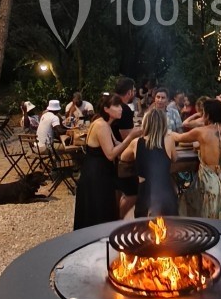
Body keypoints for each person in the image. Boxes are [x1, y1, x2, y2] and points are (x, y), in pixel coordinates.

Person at [174, 98, 221, 222]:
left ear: (208, 114)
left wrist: (167, 134)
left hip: (209, 177)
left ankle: (209, 232)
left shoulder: (200, 132)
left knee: (194, 200)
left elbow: (179, 138)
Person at [73, 95, 140, 230]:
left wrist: (136, 143)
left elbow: (117, 144)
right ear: (106, 109)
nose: (121, 109)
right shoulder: (101, 125)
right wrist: (131, 137)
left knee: (101, 212)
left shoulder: (105, 124)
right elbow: (110, 154)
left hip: (98, 173)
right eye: (117, 106)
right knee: (99, 213)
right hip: (96, 176)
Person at [121, 108, 178, 218]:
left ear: (145, 123)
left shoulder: (136, 142)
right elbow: (174, 158)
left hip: (145, 191)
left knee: (143, 229)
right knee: (169, 228)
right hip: (165, 190)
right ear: (163, 123)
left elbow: (124, 157)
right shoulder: (169, 140)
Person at [111, 77, 139, 219]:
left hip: (110, 154)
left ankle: (114, 217)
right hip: (120, 156)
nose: (134, 93)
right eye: (133, 90)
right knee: (133, 192)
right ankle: (119, 220)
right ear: (129, 92)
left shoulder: (111, 103)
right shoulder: (125, 109)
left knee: (118, 189)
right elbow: (127, 137)